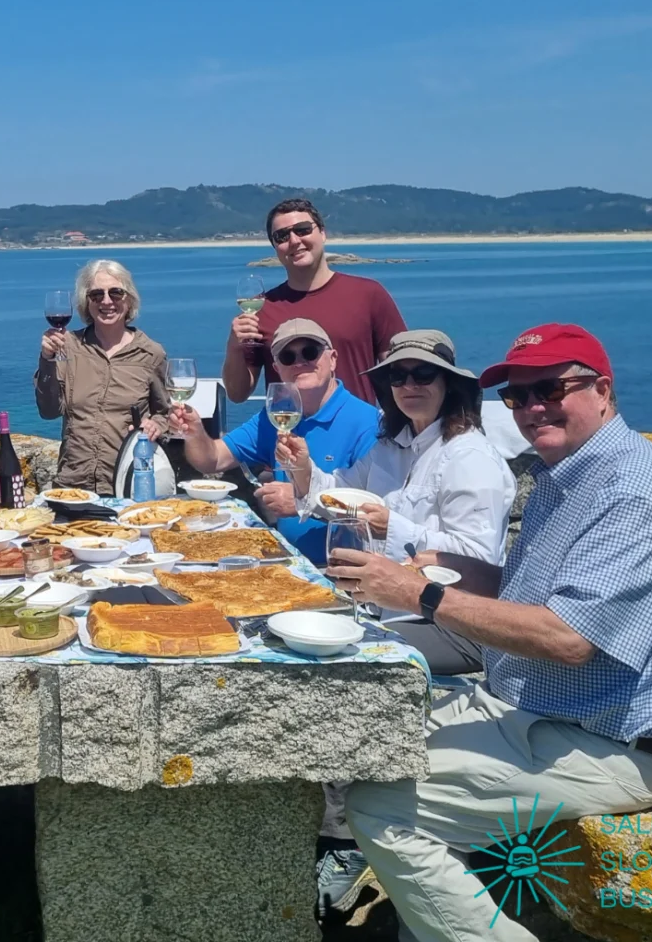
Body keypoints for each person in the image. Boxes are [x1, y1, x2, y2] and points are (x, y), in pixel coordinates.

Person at [331, 324, 652, 942]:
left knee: (381, 807)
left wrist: (420, 595)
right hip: (537, 704)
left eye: (550, 388)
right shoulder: (569, 472)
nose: (532, 407)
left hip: (613, 741)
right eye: (517, 397)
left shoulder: (632, 495)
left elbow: (569, 638)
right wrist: (432, 561)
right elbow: (524, 590)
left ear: (601, 389)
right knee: (361, 730)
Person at [283, 328, 516, 661]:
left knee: (342, 654)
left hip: (449, 621)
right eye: (398, 375)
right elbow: (339, 493)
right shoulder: (390, 446)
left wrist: (391, 527)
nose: (409, 386)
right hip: (384, 604)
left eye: (423, 374)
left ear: (447, 383)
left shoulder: (470, 458)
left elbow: (478, 560)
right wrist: (302, 468)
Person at [170, 319, 377, 565]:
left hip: (341, 569)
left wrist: (305, 503)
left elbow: (376, 515)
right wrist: (195, 432)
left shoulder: (367, 422)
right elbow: (212, 459)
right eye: (288, 357)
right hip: (288, 562)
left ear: (332, 359)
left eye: (310, 352)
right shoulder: (278, 417)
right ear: (278, 368)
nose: (300, 362)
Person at [221, 197, 405, 404]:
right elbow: (237, 394)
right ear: (275, 246)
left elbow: (399, 372)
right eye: (282, 236)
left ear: (323, 233)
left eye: (303, 229)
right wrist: (234, 347)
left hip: (356, 433)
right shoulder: (260, 309)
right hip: (285, 433)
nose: (294, 240)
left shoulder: (369, 294)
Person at [35, 258, 172, 495]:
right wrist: (47, 360)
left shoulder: (150, 354)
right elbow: (48, 411)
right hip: (73, 486)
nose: (107, 301)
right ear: (86, 303)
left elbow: (164, 414)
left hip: (128, 487)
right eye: (97, 295)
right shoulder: (68, 346)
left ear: (129, 300)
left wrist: (156, 426)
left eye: (116, 293)